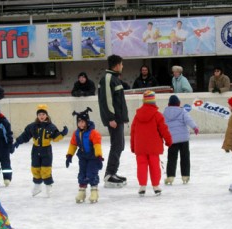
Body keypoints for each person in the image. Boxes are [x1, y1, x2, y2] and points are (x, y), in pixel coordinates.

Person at [14, 104, 68, 197]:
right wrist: (17, 142)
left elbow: (55, 138)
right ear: (37, 116)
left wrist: (62, 134)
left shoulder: (50, 127)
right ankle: (37, 185)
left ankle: (48, 186)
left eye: (43, 114)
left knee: (46, 169)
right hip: (35, 150)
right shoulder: (33, 126)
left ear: (46, 115)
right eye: (39, 115)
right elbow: (25, 135)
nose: (41, 116)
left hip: (46, 150)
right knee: (35, 168)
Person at [130, 91, 172, 196]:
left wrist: (133, 146)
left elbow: (133, 131)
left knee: (141, 166)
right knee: (154, 165)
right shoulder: (157, 115)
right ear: (153, 101)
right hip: (154, 146)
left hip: (140, 146)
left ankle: (142, 186)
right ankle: (156, 186)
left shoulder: (137, 116)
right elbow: (164, 130)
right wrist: (168, 141)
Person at [97, 54, 129, 188]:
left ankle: (113, 172)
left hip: (118, 119)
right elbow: (106, 100)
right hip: (114, 120)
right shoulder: (108, 78)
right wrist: (111, 118)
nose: (122, 66)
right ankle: (109, 174)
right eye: (121, 64)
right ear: (116, 65)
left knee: (120, 145)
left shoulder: (115, 79)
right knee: (116, 145)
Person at [66, 107, 103, 203]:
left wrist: (99, 156)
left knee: (91, 173)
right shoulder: (76, 133)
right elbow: (73, 145)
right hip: (82, 157)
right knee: (82, 174)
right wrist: (69, 155)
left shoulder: (93, 133)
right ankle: (82, 191)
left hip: (93, 157)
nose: (81, 124)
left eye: (83, 122)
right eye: (79, 122)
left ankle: (94, 191)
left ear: (87, 122)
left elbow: (97, 145)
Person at [163, 95, 199, 185]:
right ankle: (185, 176)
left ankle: (170, 176)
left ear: (168, 104)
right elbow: (189, 120)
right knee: (185, 157)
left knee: (171, 158)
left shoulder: (165, 113)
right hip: (183, 139)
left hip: (172, 139)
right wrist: (195, 127)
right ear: (179, 104)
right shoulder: (182, 111)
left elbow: (162, 124)